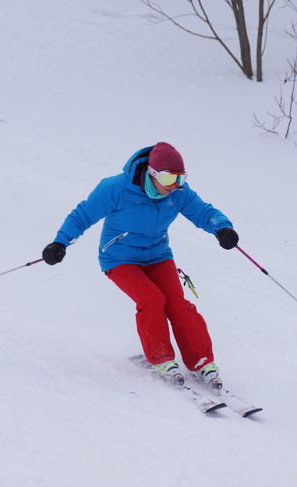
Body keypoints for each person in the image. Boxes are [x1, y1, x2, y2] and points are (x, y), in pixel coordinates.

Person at [42, 142, 239, 388]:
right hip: (119, 258)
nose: (174, 185)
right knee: (152, 299)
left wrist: (222, 228)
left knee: (178, 304)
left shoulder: (178, 192)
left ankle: (202, 362)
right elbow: (82, 215)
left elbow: (203, 211)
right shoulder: (116, 188)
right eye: (168, 178)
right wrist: (59, 243)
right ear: (152, 173)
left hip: (158, 256)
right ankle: (162, 358)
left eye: (180, 178)